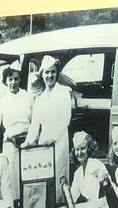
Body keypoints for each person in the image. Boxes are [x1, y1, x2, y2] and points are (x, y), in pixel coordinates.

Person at [27, 55, 80, 197]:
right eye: (47, 72)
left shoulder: (63, 92)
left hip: (59, 141)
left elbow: (66, 119)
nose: (50, 75)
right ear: (42, 74)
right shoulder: (40, 98)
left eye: (53, 72)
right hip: (44, 143)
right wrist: (28, 141)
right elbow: (35, 124)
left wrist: (54, 138)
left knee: (59, 176)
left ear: (56, 73)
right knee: (45, 175)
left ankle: (62, 206)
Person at [0, 61, 33, 192]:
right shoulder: (1, 102)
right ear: (6, 81)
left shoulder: (29, 97)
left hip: (28, 142)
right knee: (12, 179)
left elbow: (35, 121)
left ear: (20, 79)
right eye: (10, 79)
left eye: (16, 79)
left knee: (29, 175)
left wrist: (30, 138)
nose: (13, 82)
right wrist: (8, 137)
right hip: (10, 144)